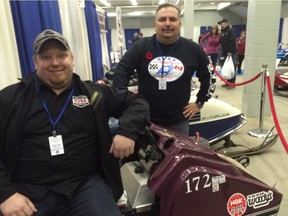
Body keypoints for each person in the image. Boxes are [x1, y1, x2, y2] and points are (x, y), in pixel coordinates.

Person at [0, 29, 150, 216]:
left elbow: (136, 102)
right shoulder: (11, 98)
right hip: (28, 191)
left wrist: (127, 131)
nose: (55, 63)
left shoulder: (93, 94)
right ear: (35, 61)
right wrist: (5, 194)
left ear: (72, 59)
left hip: (85, 186)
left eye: (61, 55)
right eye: (46, 57)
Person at [113, 3, 215, 135]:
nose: (167, 24)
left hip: (179, 122)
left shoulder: (193, 49)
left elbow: (209, 77)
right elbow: (121, 72)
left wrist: (199, 102)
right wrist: (125, 103)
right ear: (155, 24)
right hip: (145, 119)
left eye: (172, 19)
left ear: (179, 23)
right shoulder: (141, 47)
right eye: (162, 19)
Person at [218, 18, 237, 89]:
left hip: (231, 53)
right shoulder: (223, 31)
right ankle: (228, 82)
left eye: (222, 23)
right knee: (226, 68)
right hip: (225, 53)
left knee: (231, 68)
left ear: (226, 23)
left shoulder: (230, 30)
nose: (221, 25)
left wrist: (230, 51)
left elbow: (232, 41)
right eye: (220, 24)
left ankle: (232, 83)